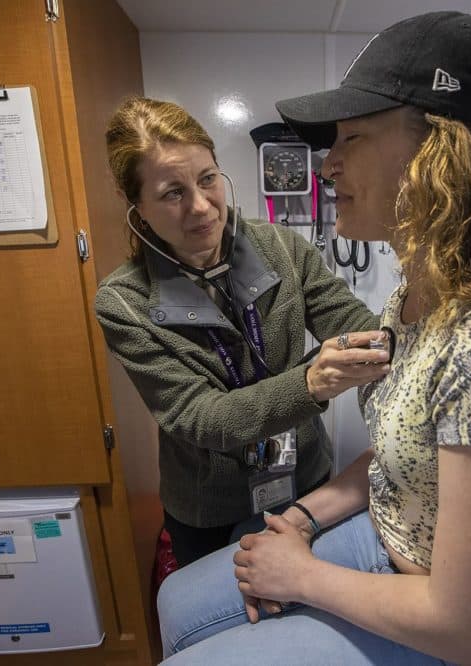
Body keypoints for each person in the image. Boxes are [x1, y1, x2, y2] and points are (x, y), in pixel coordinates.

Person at [156, 11, 471, 665]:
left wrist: (300, 575)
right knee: (174, 605)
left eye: (352, 137)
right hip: (393, 544)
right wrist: (303, 521)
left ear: (439, 155)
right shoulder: (415, 300)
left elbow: (465, 632)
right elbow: (402, 455)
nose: (327, 165)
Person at [96, 97, 389, 568]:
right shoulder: (125, 303)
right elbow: (201, 418)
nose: (201, 207)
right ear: (138, 207)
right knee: (215, 618)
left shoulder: (281, 247)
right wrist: (310, 382)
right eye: (172, 193)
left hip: (304, 480)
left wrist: (407, 336)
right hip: (208, 509)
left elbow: (353, 322)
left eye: (208, 179)